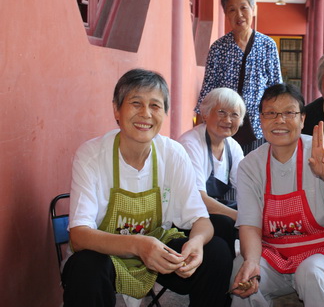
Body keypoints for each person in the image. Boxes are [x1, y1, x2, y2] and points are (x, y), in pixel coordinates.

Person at [62, 69, 232, 307]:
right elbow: (79, 236)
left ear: (164, 113)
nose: (146, 114)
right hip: (107, 256)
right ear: (116, 109)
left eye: (155, 105)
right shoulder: (91, 155)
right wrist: (138, 245)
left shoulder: (173, 153)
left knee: (216, 251)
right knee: (85, 266)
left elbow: (201, 220)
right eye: (135, 103)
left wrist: (195, 245)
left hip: (158, 252)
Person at [229, 83, 324, 307]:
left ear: (303, 119)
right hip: (276, 255)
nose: (280, 120)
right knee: (242, 268)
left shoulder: (322, 152)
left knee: (311, 271)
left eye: (289, 113)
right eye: (271, 113)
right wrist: (252, 262)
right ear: (261, 119)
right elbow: (249, 225)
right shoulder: (250, 166)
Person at [195, 0, 282, 154]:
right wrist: (200, 126)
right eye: (232, 10)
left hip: (257, 125)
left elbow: (275, 87)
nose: (239, 15)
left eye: (244, 8)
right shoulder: (218, 48)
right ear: (226, 15)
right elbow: (208, 89)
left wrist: (276, 120)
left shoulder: (267, 45)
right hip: (224, 123)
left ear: (253, 9)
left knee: (254, 172)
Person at [179, 87, 246, 258]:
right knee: (225, 221)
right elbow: (197, 198)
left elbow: (247, 188)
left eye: (235, 115)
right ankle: (227, 271)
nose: (228, 120)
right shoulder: (190, 144)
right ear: (206, 114)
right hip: (185, 213)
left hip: (209, 209)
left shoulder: (233, 147)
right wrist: (239, 217)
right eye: (222, 112)